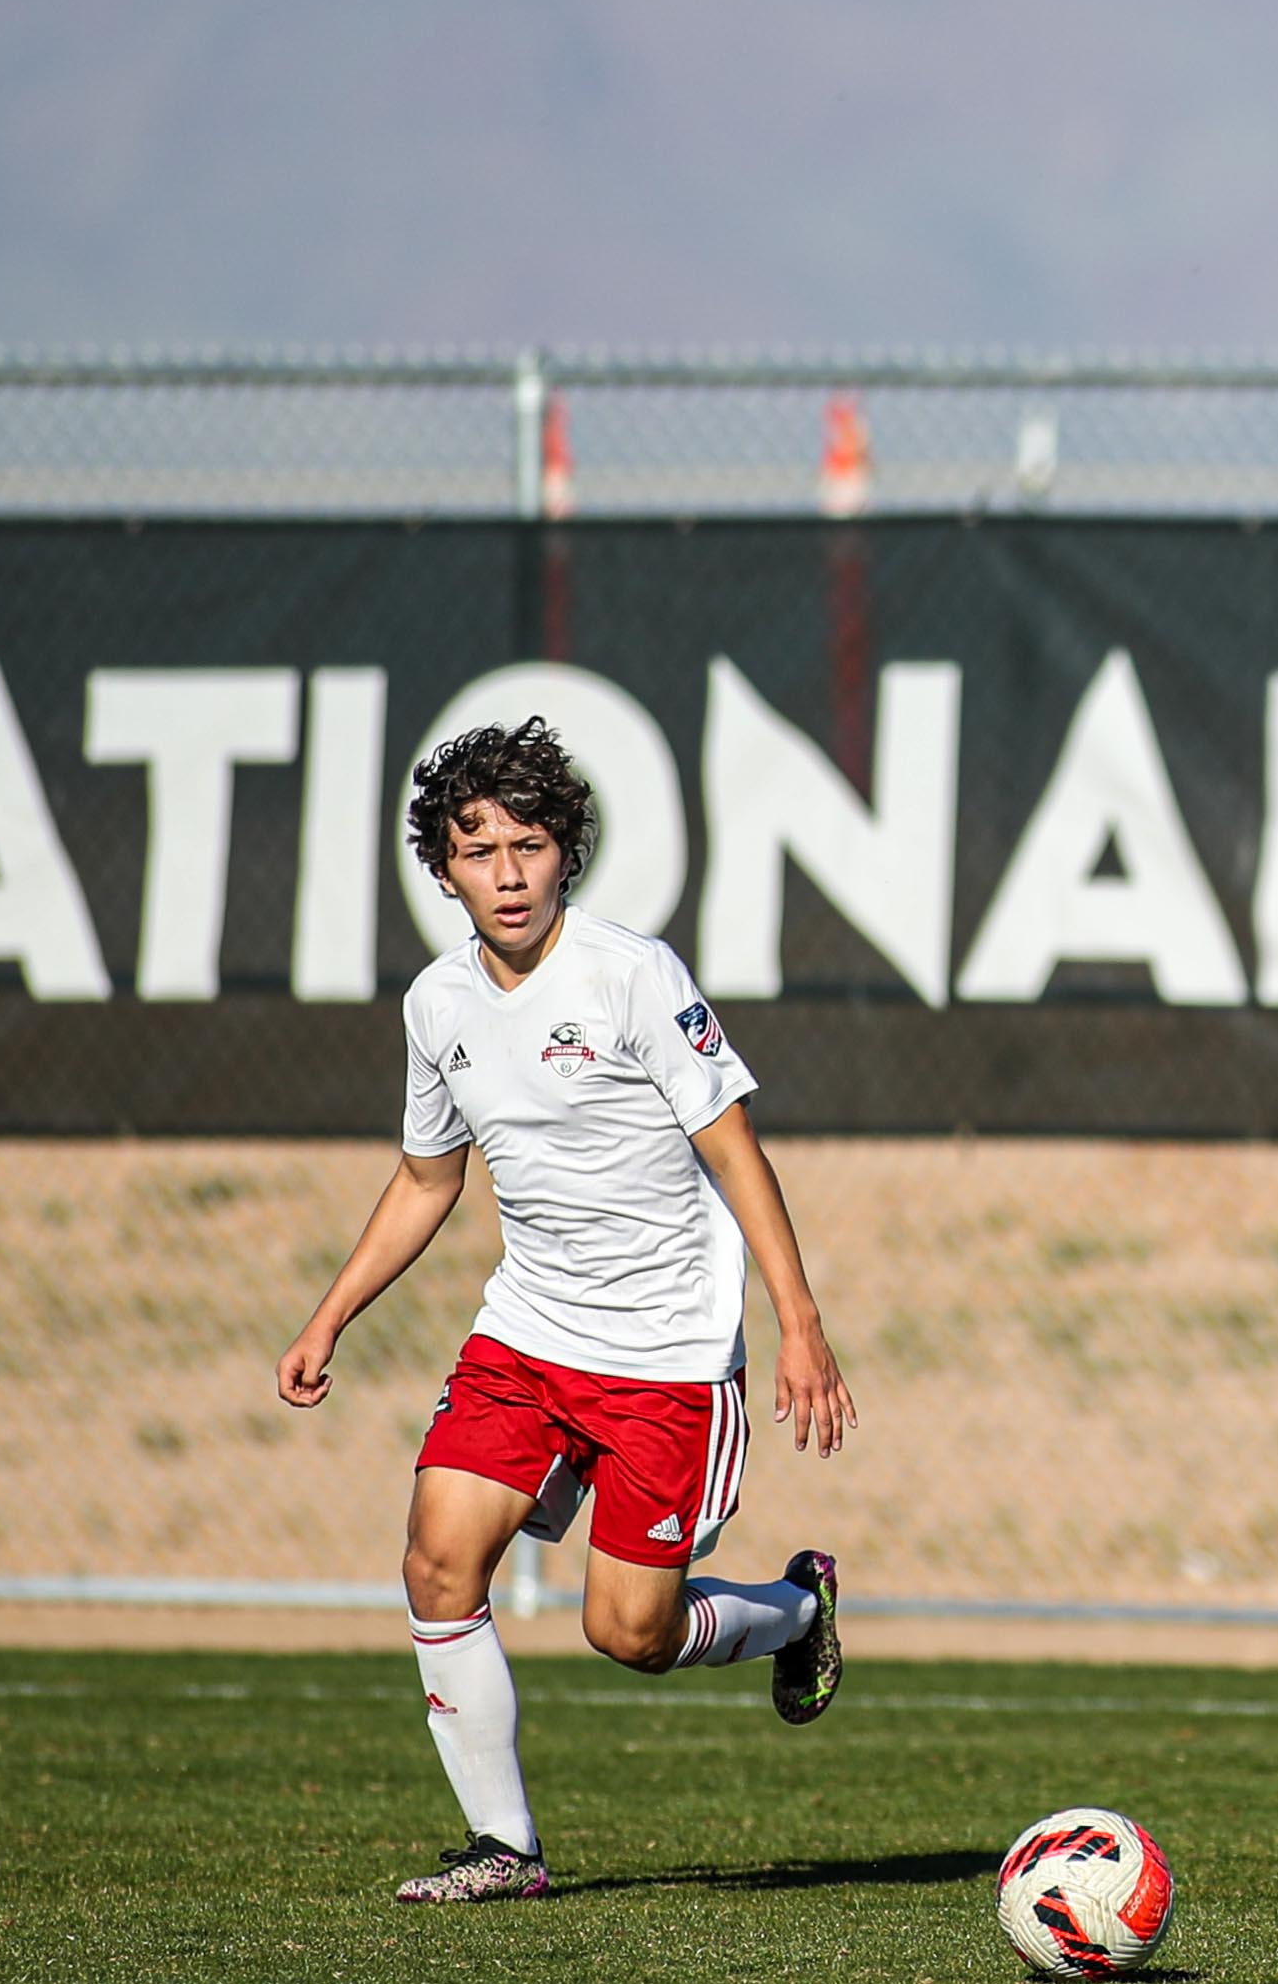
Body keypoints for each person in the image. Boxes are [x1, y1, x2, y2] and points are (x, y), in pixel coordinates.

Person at [278, 717, 858, 1902]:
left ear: (564, 856)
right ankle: (507, 1848)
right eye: (477, 847)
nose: (505, 871)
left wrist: (798, 1321)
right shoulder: (435, 1004)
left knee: (628, 1634)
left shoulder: (630, 973)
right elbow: (429, 1176)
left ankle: (796, 1609)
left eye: (529, 845)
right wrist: (328, 1314)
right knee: (438, 1563)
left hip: (667, 1354)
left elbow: (734, 1148)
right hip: (527, 1338)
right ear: (441, 865)